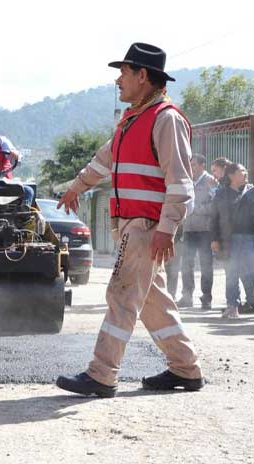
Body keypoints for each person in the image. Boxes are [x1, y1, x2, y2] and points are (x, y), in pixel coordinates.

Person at [55, 43, 203, 398]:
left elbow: (181, 184)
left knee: (120, 296)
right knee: (153, 304)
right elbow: (103, 161)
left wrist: (167, 229)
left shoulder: (166, 119)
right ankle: (186, 369)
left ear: (143, 76)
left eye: (123, 72)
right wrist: (76, 187)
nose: (118, 80)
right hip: (138, 227)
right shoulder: (131, 121)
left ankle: (102, 374)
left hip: (147, 228)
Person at [211, 163, 254, 318]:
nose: (245, 173)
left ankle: (251, 302)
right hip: (229, 240)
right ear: (231, 175)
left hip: (250, 239)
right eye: (241, 171)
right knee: (231, 273)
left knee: (251, 273)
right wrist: (214, 239)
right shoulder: (221, 194)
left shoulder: (251, 192)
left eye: (245, 170)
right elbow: (214, 218)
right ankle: (232, 306)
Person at [177, 154, 216, 309]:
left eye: (193, 164)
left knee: (206, 265)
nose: (191, 168)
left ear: (202, 166)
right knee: (186, 264)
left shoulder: (210, 182)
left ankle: (206, 298)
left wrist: (195, 210)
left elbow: (215, 206)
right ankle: (187, 296)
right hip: (189, 230)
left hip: (205, 231)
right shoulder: (187, 181)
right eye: (189, 164)